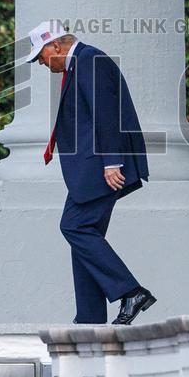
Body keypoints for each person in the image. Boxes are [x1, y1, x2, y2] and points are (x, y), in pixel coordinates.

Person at [26, 20, 155, 325]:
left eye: (41, 55)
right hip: (93, 170)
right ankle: (89, 316)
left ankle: (131, 291)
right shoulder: (82, 62)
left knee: (74, 227)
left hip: (102, 169)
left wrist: (113, 162)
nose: (41, 63)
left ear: (56, 45)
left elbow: (105, 114)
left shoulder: (90, 61)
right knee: (85, 236)